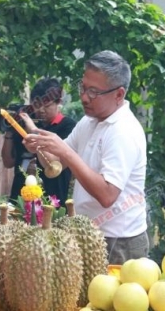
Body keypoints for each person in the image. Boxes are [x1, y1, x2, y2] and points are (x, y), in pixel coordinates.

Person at [23, 50, 149, 264]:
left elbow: (107, 195)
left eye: (93, 92)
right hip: (88, 233)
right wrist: (40, 148)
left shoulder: (123, 131)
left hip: (119, 241)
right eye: (83, 87)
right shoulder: (89, 121)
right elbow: (57, 165)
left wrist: (66, 152)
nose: (84, 97)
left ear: (119, 94)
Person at [1, 78, 76, 206]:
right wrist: (10, 130)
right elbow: (8, 162)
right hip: (19, 199)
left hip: (51, 202)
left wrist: (34, 131)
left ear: (59, 103)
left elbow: (53, 163)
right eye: (37, 105)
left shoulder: (68, 126)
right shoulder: (26, 123)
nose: (41, 110)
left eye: (46, 106)